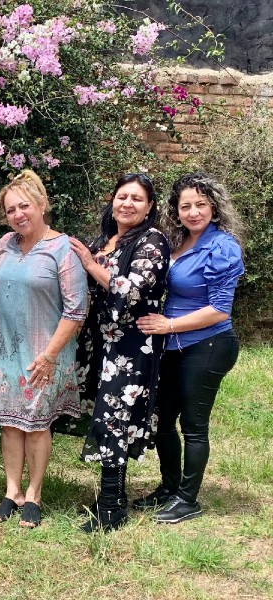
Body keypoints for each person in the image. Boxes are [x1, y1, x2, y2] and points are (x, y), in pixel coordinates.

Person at [0, 170, 88, 529]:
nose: (18, 214)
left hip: (46, 355)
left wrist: (49, 355)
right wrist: (0, 311)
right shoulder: (5, 244)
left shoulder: (63, 249)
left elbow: (76, 310)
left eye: (24, 206)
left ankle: (34, 494)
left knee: (37, 426)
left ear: (42, 205)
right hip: (6, 353)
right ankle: (12, 491)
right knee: (10, 424)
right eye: (11, 210)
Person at [136, 173, 244, 523]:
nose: (194, 212)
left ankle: (188, 500)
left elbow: (219, 310)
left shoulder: (222, 247)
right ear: (176, 211)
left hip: (209, 344)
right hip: (173, 346)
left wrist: (167, 325)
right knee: (163, 421)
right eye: (186, 206)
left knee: (193, 425)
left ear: (214, 207)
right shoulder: (178, 242)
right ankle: (169, 488)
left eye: (201, 204)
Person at [67, 173, 170, 533]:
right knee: (107, 414)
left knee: (116, 416)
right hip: (100, 341)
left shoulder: (152, 240)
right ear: (112, 200)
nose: (127, 203)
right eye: (122, 196)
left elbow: (132, 290)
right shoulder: (104, 240)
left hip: (130, 344)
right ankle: (113, 497)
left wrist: (90, 264)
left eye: (137, 198)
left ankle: (111, 507)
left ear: (149, 206)